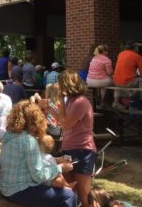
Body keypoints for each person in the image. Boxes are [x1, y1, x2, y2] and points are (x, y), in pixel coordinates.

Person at [0, 100, 75, 206]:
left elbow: (29, 165)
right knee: (69, 195)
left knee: (56, 189)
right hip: (19, 191)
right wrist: (61, 167)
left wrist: (56, 162)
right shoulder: (28, 140)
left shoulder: (9, 134)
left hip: (6, 188)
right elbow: (38, 176)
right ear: (35, 119)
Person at [53, 70, 96, 207]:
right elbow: (62, 120)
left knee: (84, 194)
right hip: (69, 148)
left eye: (60, 83)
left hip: (82, 150)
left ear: (67, 84)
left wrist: (59, 101)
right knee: (70, 189)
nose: (58, 86)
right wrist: (49, 109)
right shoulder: (70, 100)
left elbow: (65, 124)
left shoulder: (80, 102)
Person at [112, 42, 142, 110]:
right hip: (127, 83)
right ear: (135, 48)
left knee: (120, 87)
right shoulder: (138, 56)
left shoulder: (120, 54)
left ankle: (116, 102)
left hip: (116, 82)